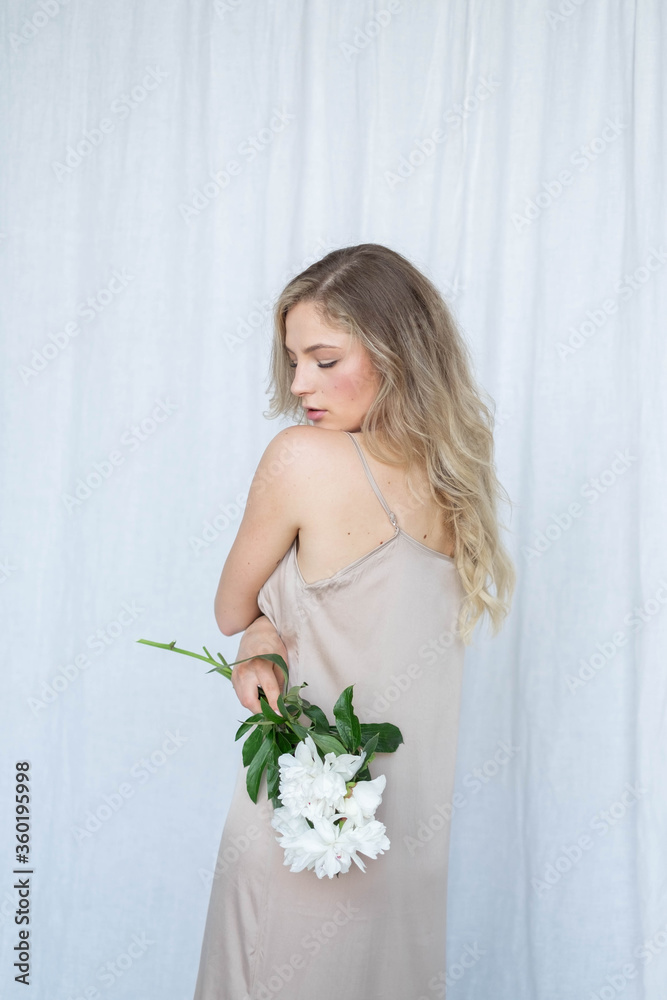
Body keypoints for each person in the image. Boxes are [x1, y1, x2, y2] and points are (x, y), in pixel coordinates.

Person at [192, 243, 515, 999]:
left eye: (323, 360)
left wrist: (259, 629)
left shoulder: (302, 457)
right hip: (403, 834)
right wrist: (271, 632)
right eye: (292, 361)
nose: (300, 385)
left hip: (303, 827)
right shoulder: (457, 474)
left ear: (396, 353)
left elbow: (229, 607)